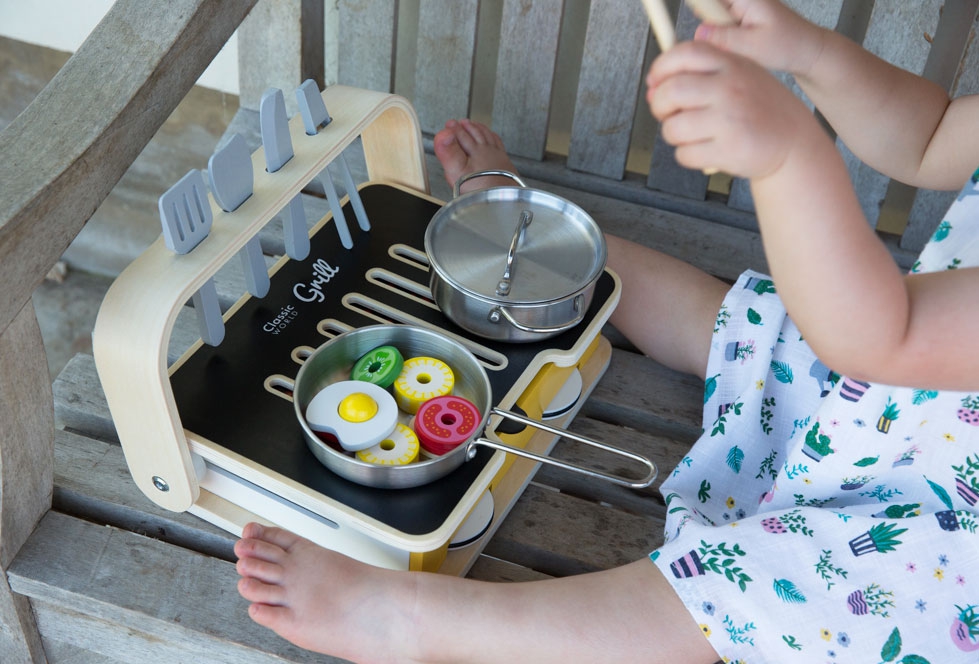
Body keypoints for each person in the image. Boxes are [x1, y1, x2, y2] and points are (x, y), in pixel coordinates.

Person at [235, 1, 979, 661]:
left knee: (787, 594)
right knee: (745, 324)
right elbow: (931, 136)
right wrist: (807, 52)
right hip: (903, 401)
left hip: (943, 531)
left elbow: (886, 333)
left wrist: (787, 154)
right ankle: (521, 232)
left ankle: (413, 624)